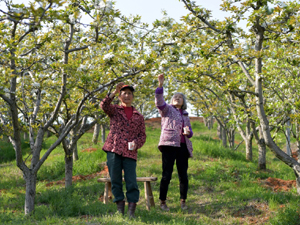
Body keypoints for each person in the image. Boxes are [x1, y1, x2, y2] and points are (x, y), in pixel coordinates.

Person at [100, 82, 146, 217]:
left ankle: (131, 211)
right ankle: (120, 209)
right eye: (124, 93)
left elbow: (142, 135)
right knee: (115, 180)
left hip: (130, 152)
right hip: (113, 149)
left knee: (131, 180)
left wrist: (136, 143)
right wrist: (114, 92)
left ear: (133, 96)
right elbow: (104, 105)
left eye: (129, 93)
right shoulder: (114, 110)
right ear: (120, 96)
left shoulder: (139, 116)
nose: (127, 96)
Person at [155, 74, 194, 211]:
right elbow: (159, 102)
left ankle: (183, 201)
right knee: (167, 174)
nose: (177, 98)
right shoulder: (167, 110)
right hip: (169, 145)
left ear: (183, 101)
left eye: (180, 97)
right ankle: (163, 202)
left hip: (183, 147)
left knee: (183, 175)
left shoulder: (185, 115)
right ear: (171, 101)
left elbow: (190, 132)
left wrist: (188, 133)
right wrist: (160, 86)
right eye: (175, 97)